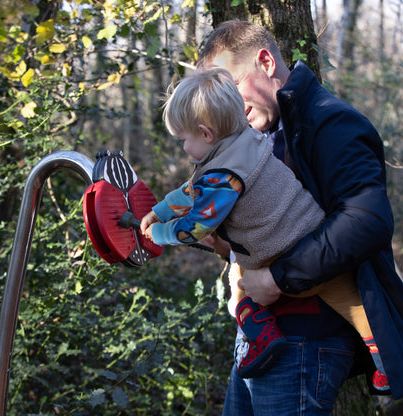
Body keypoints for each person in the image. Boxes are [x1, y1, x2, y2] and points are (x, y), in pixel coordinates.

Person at [193, 20, 403, 415]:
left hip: (307, 337)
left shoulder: (331, 122)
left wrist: (276, 278)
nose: (228, 107)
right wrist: (223, 244)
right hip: (261, 339)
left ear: (266, 62)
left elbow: (366, 220)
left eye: (232, 87)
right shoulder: (255, 139)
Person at [140, 66, 390, 395]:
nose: (183, 148)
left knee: (240, 288)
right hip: (312, 236)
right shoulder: (245, 140)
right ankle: (384, 364)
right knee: (358, 311)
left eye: (184, 139)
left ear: (206, 134)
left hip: (284, 257)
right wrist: (158, 211)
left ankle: (264, 335)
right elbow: (190, 191)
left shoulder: (223, 176)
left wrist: (159, 233)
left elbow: (196, 226)